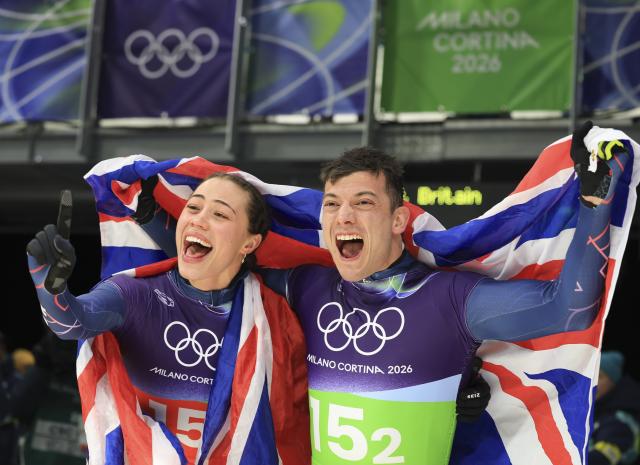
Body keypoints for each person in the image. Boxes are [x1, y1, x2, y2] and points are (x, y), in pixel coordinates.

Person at [131, 121, 629, 464]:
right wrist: (159, 221)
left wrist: (594, 203)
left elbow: (570, 308)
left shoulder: (450, 300)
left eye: (362, 202)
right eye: (332, 204)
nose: (343, 216)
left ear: (397, 220)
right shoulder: (306, 288)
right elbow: (222, 267)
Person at [26, 174, 311, 464]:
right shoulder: (137, 294)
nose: (198, 220)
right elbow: (72, 323)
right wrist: (48, 287)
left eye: (220, 214)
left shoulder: (273, 308)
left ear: (249, 244)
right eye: (193, 207)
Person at [589, 351, 640, 465]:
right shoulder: (594, 411)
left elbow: (601, 458)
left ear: (613, 381)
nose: (593, 382)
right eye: (591, 376)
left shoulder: (621, 420)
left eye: (600, 376)